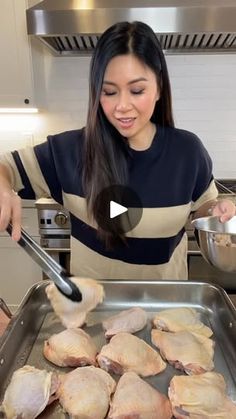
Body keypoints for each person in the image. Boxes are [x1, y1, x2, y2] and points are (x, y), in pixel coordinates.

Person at [0, 21, 235, 281]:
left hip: (166, 310)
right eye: (109, 91)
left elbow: (205, 206)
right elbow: (5, 167)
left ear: (159, 88)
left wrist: (217, 210)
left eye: (137, 90)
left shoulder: (187, 152)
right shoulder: (68, 151)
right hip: (93, 313)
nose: (122, 106)